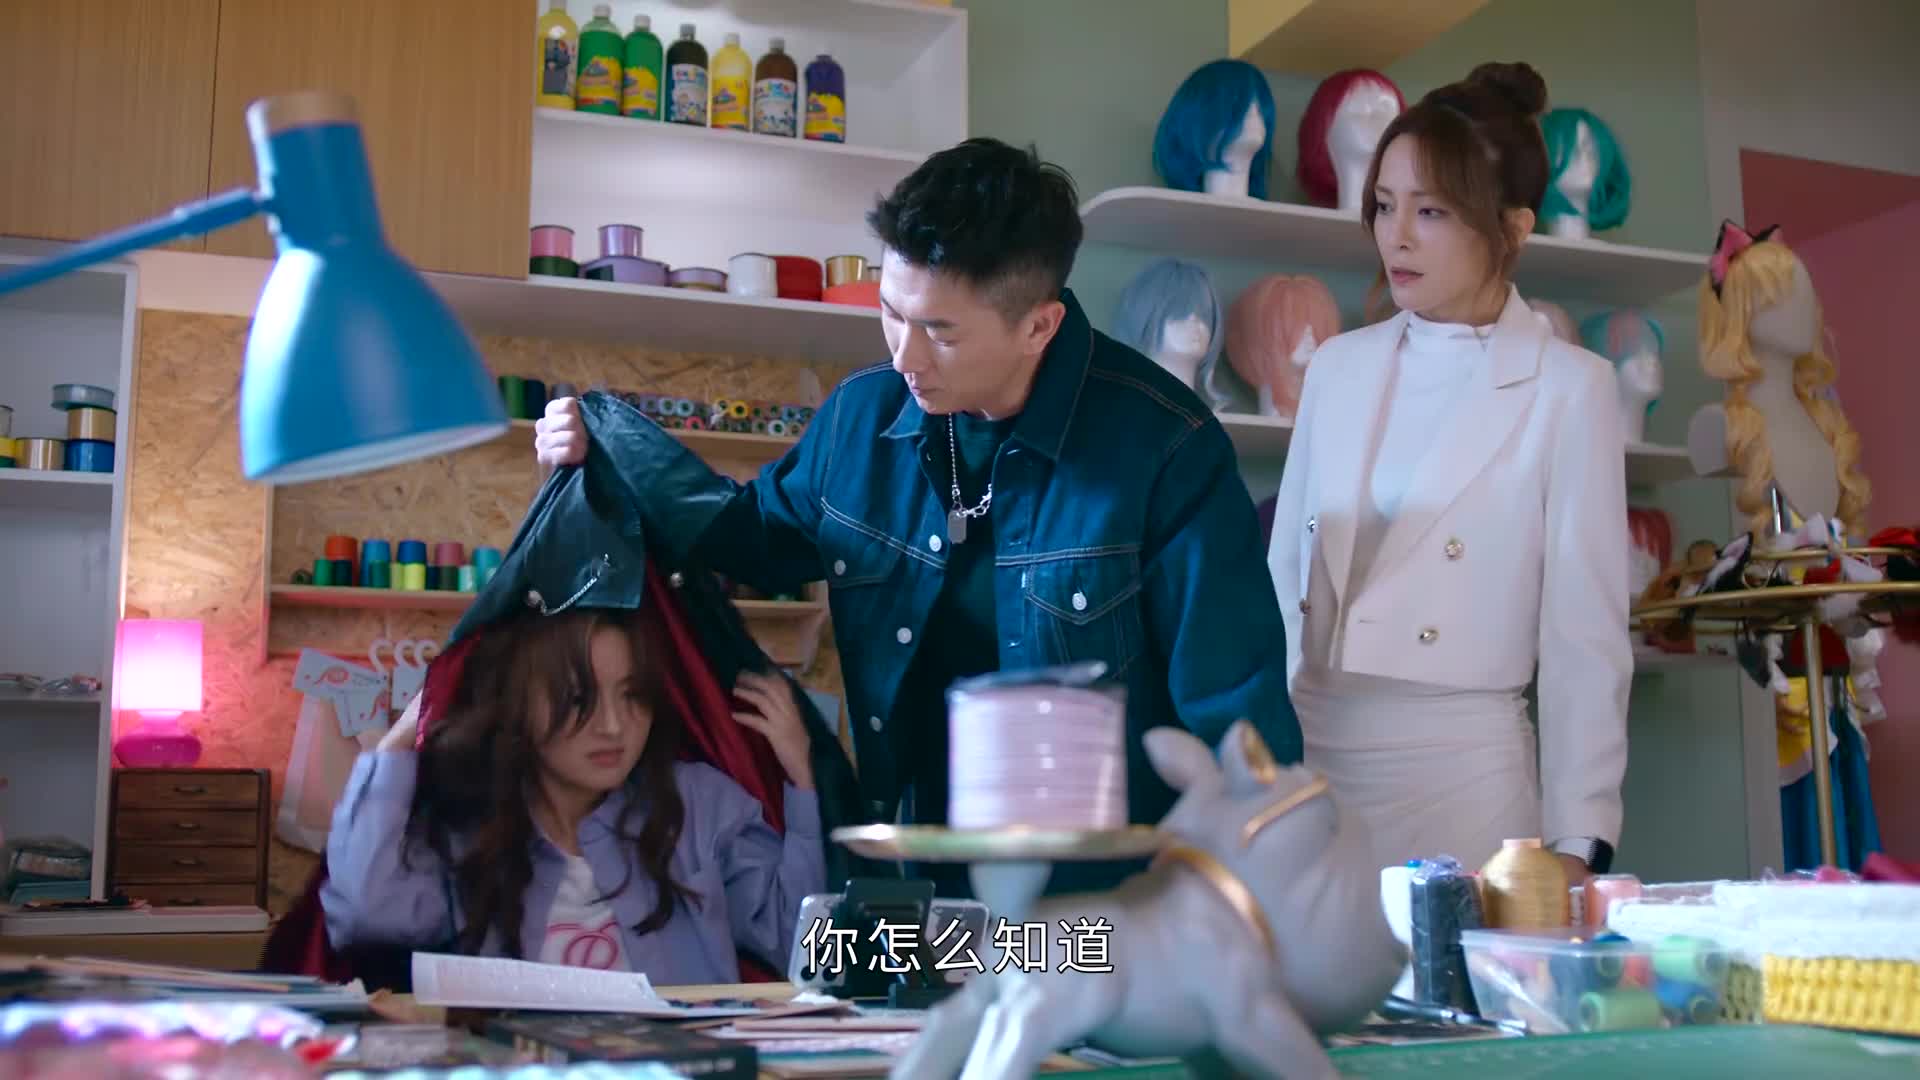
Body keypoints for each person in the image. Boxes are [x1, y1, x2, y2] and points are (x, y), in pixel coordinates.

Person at [536, 137, 1301, 897]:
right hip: (915, 874)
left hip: (1109, 900)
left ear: (1038, 327)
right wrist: (606, 451)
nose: (905, 356)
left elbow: (1236, 718)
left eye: (940, 331)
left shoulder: (1165, 446)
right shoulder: (861, 417)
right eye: (890, 312)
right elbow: (747, 539)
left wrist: (1250, 909)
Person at [1267, 62, 1630, 883]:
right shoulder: (1337, 366)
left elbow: (1585, 639)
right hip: (1312, 762)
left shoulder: (1570, 388)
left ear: (1513, 228)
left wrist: (1578, 843)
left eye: (1431, 211)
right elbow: (1283, 572)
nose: (1395, 236)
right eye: (1384, 204)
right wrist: (1270, 763)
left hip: (1465, 780)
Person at [321, 602, 826, 984]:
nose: (614, 726)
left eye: (633, 695)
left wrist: (804, 780)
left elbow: (808, 953)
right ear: (518, 703)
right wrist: (398, 740)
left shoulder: (700, 804)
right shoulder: (473, 818)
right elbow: (368, 919)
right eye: (579, 698)